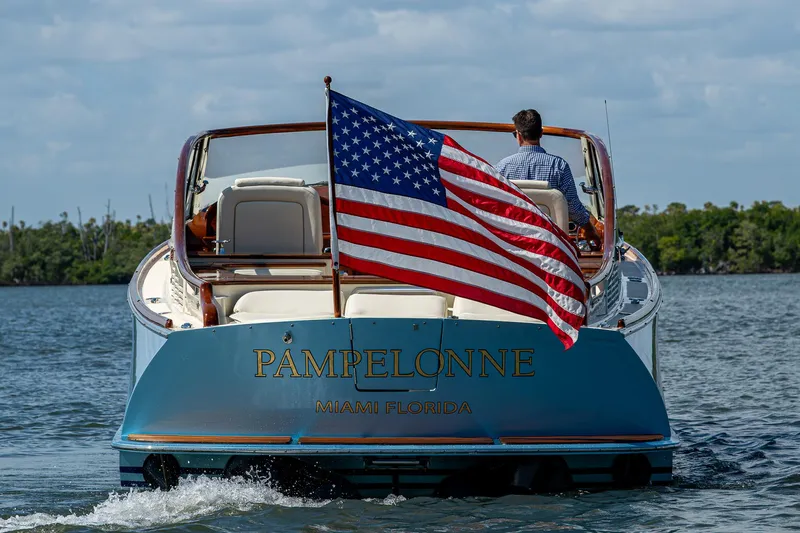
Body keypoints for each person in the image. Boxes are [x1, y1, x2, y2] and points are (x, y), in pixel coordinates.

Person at [496, 109, 603, 249]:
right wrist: (589, 230)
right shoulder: (559, 166)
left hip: (515, 246)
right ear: (541, 133)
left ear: (518, 135)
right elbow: (573, 207)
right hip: (551, 247)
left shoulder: (502, 168)